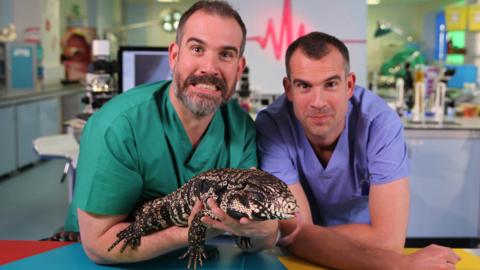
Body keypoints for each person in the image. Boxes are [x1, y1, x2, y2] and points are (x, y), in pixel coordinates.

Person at [63, 1, 278, 264]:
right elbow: (99, 245)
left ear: (238, 67)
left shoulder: (240, 128)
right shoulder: (119, 126)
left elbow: (254, 239)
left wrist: (266, 232)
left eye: (225, 54)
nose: (209, 67)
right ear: (174, 55)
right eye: (197, 49)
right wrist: (193, 233)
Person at [255, 32, 460, 269]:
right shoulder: (272, 126)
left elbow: (389, 241)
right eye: (304, 86)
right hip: (333, 257)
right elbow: (295, 233)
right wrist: (299, 236)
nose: (318, 102)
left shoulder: (380, 124)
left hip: (371, 258)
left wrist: (306, 237)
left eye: (331, 84)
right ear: (288, 89)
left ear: (349, 85)